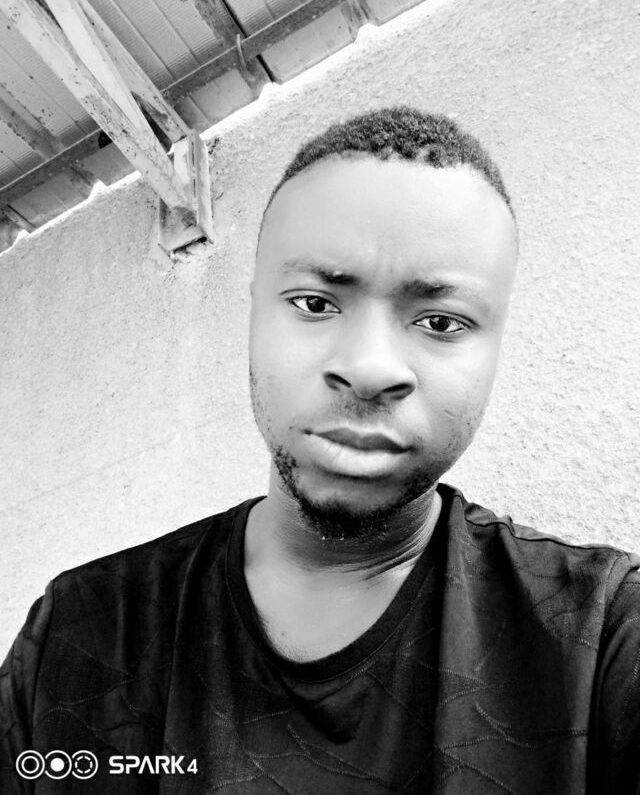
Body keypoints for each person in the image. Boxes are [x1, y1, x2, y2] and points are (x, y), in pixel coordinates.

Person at [1, 107, 638, 794]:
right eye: (314, 303)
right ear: (253, 311)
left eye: (441, 320)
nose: (369, 368)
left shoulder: (600, 639)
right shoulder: (77, 634)